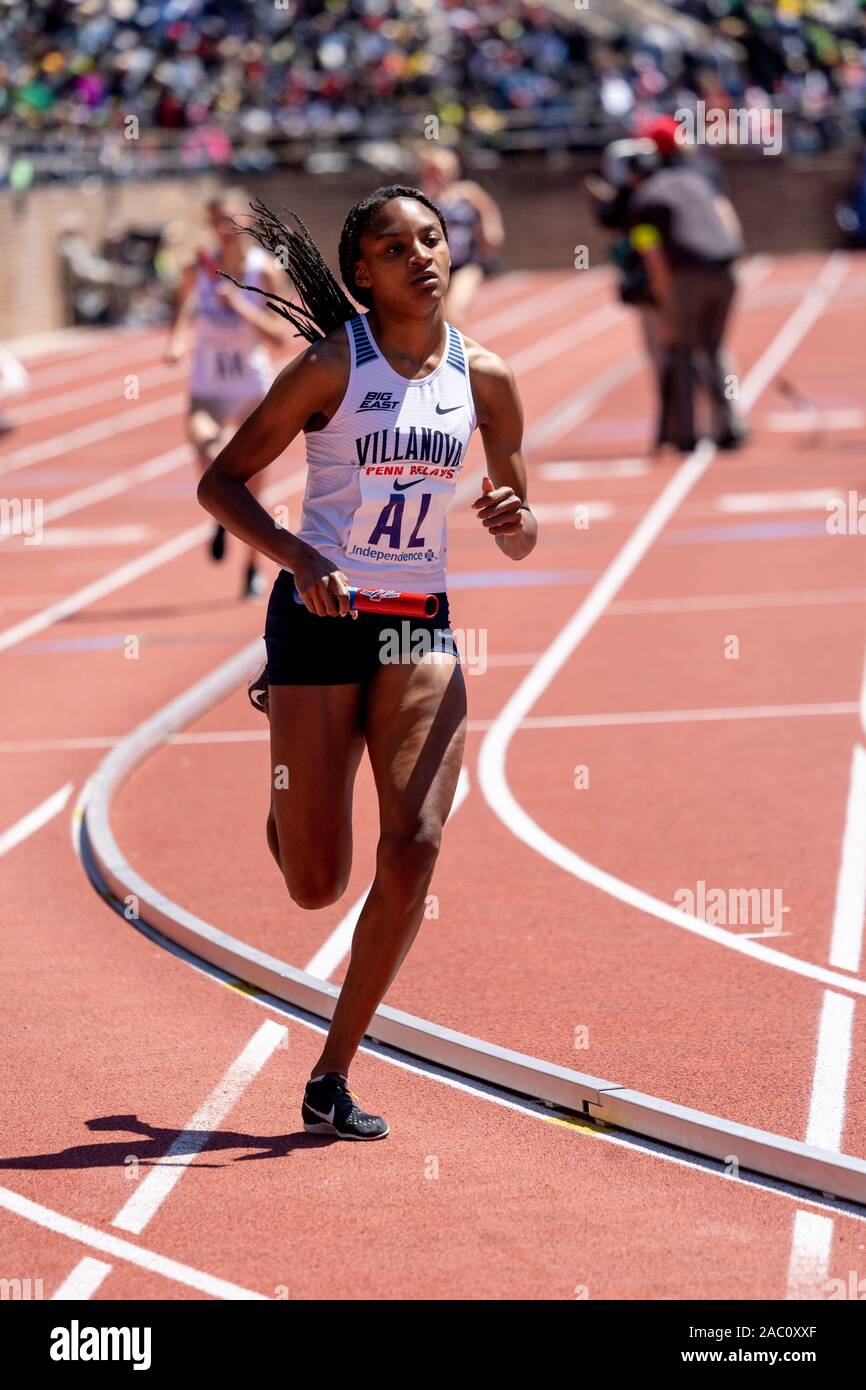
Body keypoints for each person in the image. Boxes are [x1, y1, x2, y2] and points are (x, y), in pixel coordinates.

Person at [196, 187, 537, 1139]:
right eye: (395, 247)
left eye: (430, 239)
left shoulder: (489, 378)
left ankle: (332, 1071)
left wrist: (518, 521)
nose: (420, 256)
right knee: (315, 882)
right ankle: (293, 769)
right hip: (317, 620)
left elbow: (521, 526)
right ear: (362, 274)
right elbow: (219, 482)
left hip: (414, 624)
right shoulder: (327, 369)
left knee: (417, 843)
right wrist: (300, 556)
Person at [165, 189, 290, 598]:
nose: (226, 228)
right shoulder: (197, 270)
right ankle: (220, 510)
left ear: (247, 223)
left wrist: (240, 306)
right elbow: (184, 310)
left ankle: (252, 569)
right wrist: (177, 342)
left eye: (233, 220)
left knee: (254, 488)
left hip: (252, 387)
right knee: (209, 450)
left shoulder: (263, 271)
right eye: (219, 220)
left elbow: (279, 338)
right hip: (208, 388)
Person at [626, 158, 748, 452]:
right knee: (713, 349)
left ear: (634, 177)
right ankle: (730, 425)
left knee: (681, 351)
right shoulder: (697, 181)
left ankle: (685, 434)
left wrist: (665, 306)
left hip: (687, 276)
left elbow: (655, 261)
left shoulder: (644, 201)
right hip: (727, 270)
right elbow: (729, 220)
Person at [417, 147, 505, 328]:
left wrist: (491, 229)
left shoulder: (468, 192)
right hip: (436, 266)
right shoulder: (422, 198)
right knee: (433, 317)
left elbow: (487, 209)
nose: (440, 176)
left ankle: (459, 353)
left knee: (454, 311)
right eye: (434, 171)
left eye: (444, 171)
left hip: (466, 263)